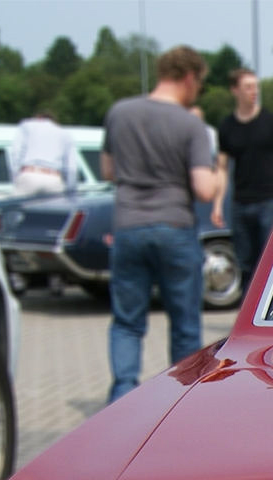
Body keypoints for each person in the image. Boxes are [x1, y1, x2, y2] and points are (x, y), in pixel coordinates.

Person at [100, 44, 218, 403]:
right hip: (174, 228)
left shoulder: (119, 113)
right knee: (184, 324)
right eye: (198, 83)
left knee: (127, 322)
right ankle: (178, 402)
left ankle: (121, 395)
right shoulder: (190, 123)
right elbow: (203, 188)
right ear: (188, 77)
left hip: (129, 225)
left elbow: (108, 170)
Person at [212, 68, 273, 292]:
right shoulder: (227, 127)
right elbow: (221, 167)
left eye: (256, 87)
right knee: (245, 262)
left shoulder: (272, 121)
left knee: (269, 261)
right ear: (234, 90)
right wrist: (218, 204)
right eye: (248, 87)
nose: (253, 92)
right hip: (241, 202)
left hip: (269, 200)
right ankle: (247, 311)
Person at [9, 109, 80, 196]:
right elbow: (71, 168)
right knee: (53, 210)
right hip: (53, 178)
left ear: (37, 118)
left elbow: (16, 153)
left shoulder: (26, 125)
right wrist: (71, 190)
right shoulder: (65, 134)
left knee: (18, 208)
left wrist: (16, 178)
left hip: (29, 173)